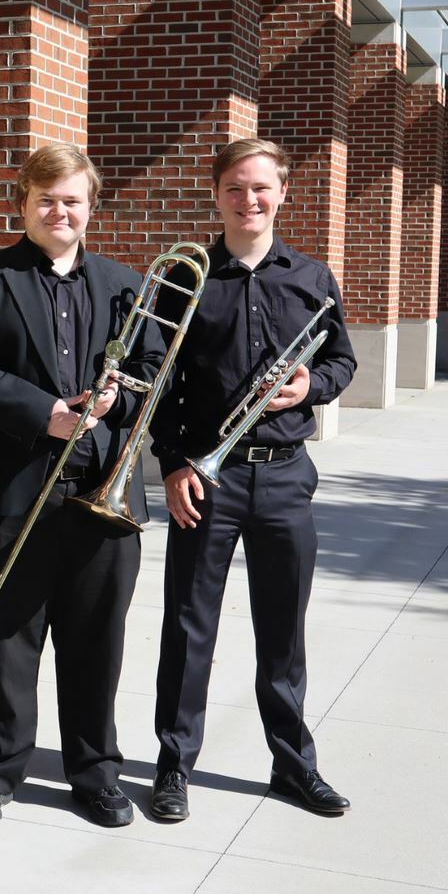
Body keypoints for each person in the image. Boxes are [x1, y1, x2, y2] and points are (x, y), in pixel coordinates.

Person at [0, 143, 163, 828]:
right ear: (23, 205)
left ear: (89, 207)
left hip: (104, 489)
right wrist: (47, 416)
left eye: (71, 199)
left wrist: (112, 405)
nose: (59, 210)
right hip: (10, 485)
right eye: (46, 199)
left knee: (96, 640)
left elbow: (157, 370)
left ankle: (94, 774)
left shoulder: (129, 284)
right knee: (9, 636)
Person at [146, 138, 356, 823]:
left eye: (260, 187)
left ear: (282, 193)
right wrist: (173, 463)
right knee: (188, 628)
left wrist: (309, 386)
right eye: (235, 187)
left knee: (282, 631)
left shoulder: (312, 278)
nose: (249, 199)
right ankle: (174, 768)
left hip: (286, 479)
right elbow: (160, 385)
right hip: (208, 480)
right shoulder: (186, 278)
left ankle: (293, 768)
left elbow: (341, 361)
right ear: (217, 194)